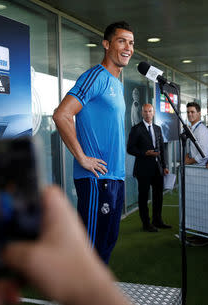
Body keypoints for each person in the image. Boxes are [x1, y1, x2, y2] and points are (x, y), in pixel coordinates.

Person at [52, 21, 134, 263]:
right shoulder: (95, 76)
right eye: (121, 41)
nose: (128, 47)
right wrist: (82, 157)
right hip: (97, 179)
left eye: (131, 43)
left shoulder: (117, 85)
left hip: (114, 177)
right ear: (107, 44)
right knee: (90, 250)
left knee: (106, 244)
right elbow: (62, 115)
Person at [127, 103, 171, 232]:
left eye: (150, 111)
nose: (147, 114)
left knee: (158, 196)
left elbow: (162, 149)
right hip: (143, 169)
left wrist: (164, 166)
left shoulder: (157, 128)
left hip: (157, 168)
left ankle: (157, 220)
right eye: (145, 111)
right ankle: (146, 224)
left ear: (153, 113)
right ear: (142, 113)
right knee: (143, 197)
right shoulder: (136, 129)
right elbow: (130, 148)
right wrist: (144, 153)